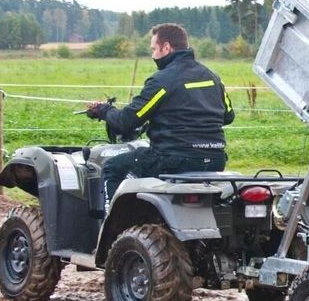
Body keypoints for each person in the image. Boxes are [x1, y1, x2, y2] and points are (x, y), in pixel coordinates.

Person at [86, 23, 234, 209]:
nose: (153, 55)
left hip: (174, 159)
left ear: (166, 47)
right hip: (215, 159)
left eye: (154, 49)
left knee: (113, 167)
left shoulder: (162, 80)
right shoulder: (212, 77)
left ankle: (113, 227)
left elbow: (126, 122)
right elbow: (228, 116)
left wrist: (104, 111)